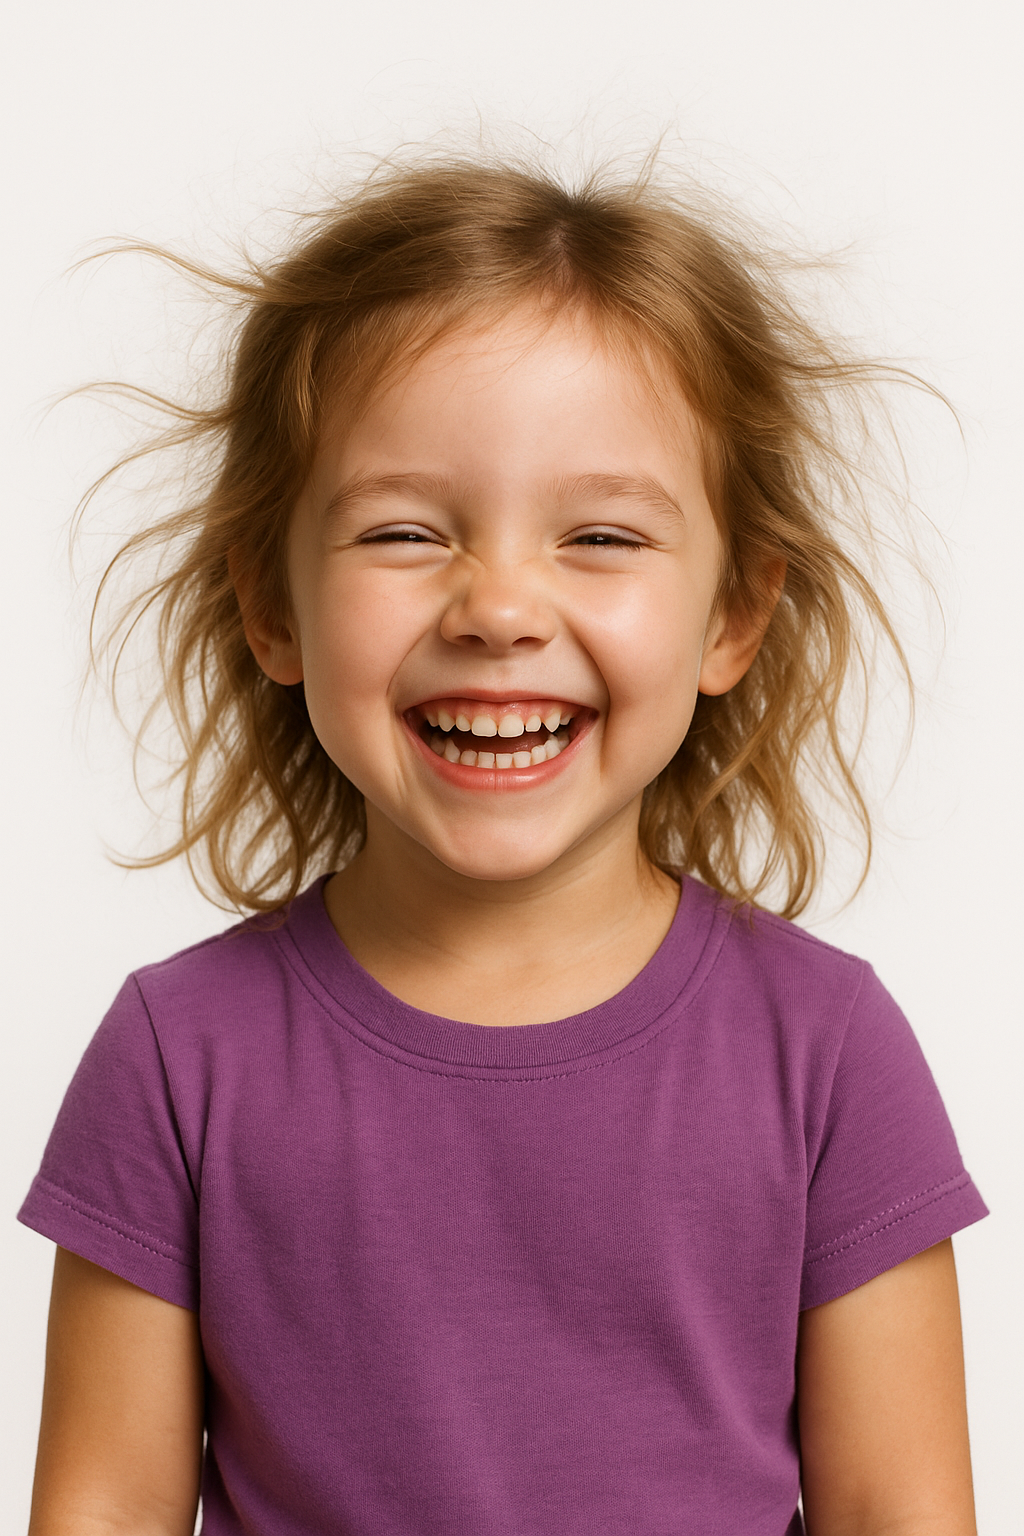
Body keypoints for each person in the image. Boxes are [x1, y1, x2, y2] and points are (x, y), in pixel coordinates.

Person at [19, 152, 987, 1536]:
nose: (500, 606)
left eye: (599, 535)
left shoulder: (827, 1052)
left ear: (734, 617)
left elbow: (903, 1513)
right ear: (272, 606)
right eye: (406, 530)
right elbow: (99, 1509)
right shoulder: (178, 1059)